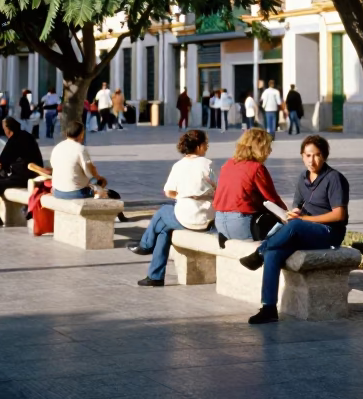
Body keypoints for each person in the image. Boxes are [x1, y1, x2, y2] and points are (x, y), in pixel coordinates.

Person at [241, 134, 349, 324]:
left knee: (296, 225)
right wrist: (294, 213)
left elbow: (339, 214)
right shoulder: (302, 178)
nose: (312, 160)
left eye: (316, 155)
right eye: (307, 155)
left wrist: (305, 219)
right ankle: (268, 308)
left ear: (324, 156)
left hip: (328, 233)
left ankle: (258, 253)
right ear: (302, 156)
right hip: (304, 230)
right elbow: (297, 208)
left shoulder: (334, 178)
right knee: (273, 254)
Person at [128, 129, 215, 286]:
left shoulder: (178, 166)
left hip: (188, 218)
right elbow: (217, 189)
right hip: (207, 217)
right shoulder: (207, 165)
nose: (207, 147)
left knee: (163, 212)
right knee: (163, 230)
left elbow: (168, 192)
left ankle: (146, 245)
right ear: (200, 146)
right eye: (206, 144)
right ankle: (155, 276)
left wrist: (183, 196)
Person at [212, 128, 285, 242]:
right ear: (260, 147)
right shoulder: (256, 168)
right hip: (241, 223)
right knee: (285, 231)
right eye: (268, 147)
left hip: (220, 222)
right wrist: (287, 215)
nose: (270, 151)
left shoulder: (228, 164)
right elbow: (271, 199)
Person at [47, 119, 107, 198]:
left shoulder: (57, 147)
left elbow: (53, 165)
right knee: (103, 191)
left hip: (57, 191)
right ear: (81, 134)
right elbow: (90, 173)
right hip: (76, 192)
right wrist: (98, 179)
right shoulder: (80, 149)